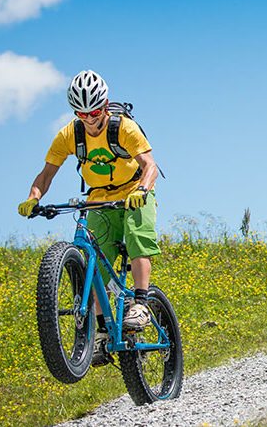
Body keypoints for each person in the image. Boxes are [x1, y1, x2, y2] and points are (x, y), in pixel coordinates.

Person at [18, 70, 162, 367]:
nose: (90, 118)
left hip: (134, 191)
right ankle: (97, 335)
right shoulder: (70, 135)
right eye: (81, 113)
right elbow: (46, 174)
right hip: (99, 198)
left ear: (105, 105)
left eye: (95, 111)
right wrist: (34, 198)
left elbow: (150, 165)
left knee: (137, 237)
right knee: (93, 263)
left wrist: (142, 190)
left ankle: (141, 303)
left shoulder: (124, 128)